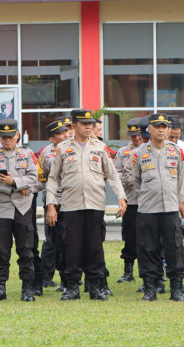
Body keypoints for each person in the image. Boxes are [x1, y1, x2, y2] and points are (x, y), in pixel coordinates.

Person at [45, 109, 127, 301]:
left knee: (94, 247)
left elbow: (112, 175)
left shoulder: (100, 147)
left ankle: (95, 286)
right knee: (71, 247)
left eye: (90, 123)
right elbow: (52, 179)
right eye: (84, 124)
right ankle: (72, 286)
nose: (89, 127)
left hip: (95, 204)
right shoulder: (63, 148)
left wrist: (121, 198)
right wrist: (51, 204)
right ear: (73, 126)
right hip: (71, 206)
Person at [131, 114, 184, 301]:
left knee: (174, 247)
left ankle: (176, 288)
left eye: (165, 127)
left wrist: (181, 201)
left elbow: (181, 179)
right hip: (148, 209)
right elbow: (135, 181)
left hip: (170, 208)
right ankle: (150, 287)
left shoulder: (175, 151)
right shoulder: (139, 153)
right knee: (147, 248)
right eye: (158, 127)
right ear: (149, 128)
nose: (162, 130)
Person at [0, 119, 39, 302]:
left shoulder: (27, 154)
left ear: (17, 135)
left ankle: (27, 288)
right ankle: (0, 288)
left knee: (26, 249)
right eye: (4, 137)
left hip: (23, 207)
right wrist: (17, 187)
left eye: (11, 137)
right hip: (2, 208)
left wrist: (14, 181)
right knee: (1, 250)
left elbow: (35, 178)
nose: (7, 141)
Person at [37, 118, 72, 290]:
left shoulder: (74, 148)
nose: (66, 134)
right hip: (54, 203)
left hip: (72, 201)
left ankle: (70, 277)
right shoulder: (47, 154)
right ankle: (46, 277)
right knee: (52, 242)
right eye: (61, 133)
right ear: (52, 138)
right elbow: (41, 177)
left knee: (71, 241)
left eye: (67, 131)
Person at [114, 118, 143, 283]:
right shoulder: (123, 152)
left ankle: (153, 271)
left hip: (150, 202)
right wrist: (127, 180)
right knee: (130, 236)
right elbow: (115, 173)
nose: (136, 138)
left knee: (152, 238)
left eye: (138, 134)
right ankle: (128, 271)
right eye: (133, 136)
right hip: (131, 199)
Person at [167, 118, 184, 295]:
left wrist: (181, 178)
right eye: (172, 137)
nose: (175, 141)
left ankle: (178, 281)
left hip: (177, 196)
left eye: (177, 137)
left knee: (176, 240)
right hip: (155, 201)